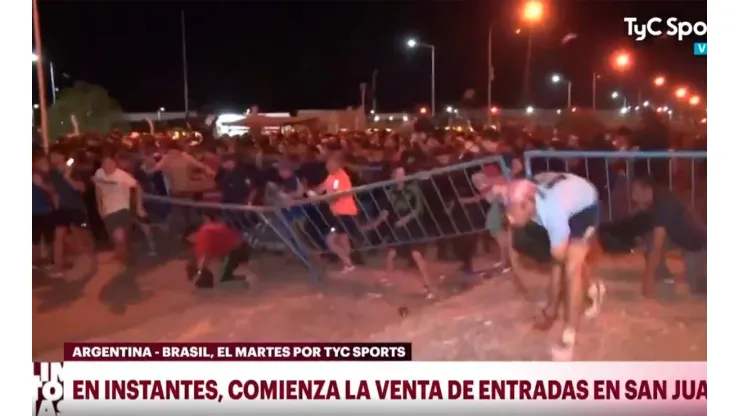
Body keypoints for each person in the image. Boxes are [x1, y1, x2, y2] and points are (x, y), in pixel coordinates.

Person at [506, 172, 606, 361]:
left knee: (570, 268)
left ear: (527, 205)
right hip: (566, 196)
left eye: (512, 212)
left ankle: (569, 338)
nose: (509, 217)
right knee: (568, 259)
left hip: (584, 209)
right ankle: (593, 289)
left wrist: (551, 309)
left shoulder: (553, 213)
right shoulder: (528, 200)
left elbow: (557, 266)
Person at [630, 176, 706, 296]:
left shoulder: (662, 205)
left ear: (647, 190)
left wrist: (646, 285)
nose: (633, 196)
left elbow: (657, 247)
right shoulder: (657, 196)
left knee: (698, 289)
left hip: (696, 244)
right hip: (679, 236)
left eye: (635, 191)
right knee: (650, 243)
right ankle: (664, 281)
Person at [382, 166, 436, 297]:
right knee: (391, 253)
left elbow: (417, 209)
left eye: (403, 174)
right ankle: (388, 280)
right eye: (398, 174)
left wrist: (405, 220)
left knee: (417, 254)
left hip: (413, 225)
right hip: (399, 226)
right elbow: (388, 209)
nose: (401, 177)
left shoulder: (413, 189)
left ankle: (429, 284)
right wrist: (377, 220)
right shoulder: (391, 192)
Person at [93, 152, 148, 263]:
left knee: (119, 236)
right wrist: (99, 205)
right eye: (106, 163)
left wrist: (139, 206)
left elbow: (138, 187)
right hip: (108, 210)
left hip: (122, 209)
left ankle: (127, 259)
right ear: (102, 165)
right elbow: (98, 189)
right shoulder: (99, 173)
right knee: (118, 237)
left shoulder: (122, 175)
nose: (109, 166)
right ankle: (123, 255)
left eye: (111, 163)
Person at [309, 153, 358, 272]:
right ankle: (348, 264)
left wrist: (320, 198)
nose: (327, 166)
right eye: (327, 163)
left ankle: (348, 263)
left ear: (338, 164)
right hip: (338, 214)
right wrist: (311, 193)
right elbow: (322, 187)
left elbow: (336, 196)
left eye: (330, 163)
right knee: (342, 239)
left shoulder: (341, 177)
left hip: (345, 213)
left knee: (330, 240)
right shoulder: (331, 176)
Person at [48, 148, 94, 268]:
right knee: (59, 237)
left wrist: (67, 176)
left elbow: (81, 188)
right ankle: (58, 265)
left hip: (76, 207)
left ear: (63, 157)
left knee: (82, 235)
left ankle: (89, 260)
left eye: (56, 156)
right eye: (52, 156)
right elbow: (53, 191)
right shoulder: (52, 174)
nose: (54, 159)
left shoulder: (75, 171)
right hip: (62, 208)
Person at [32, 154, 61, 275]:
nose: (46, 164)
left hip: (44, 210)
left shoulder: (46, 175)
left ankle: (41, 261)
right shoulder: (36, 175)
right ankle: (39, 261)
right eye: (43, 162)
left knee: (44, 237)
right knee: (40, 238)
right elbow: (50, 190)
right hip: (39, 210)